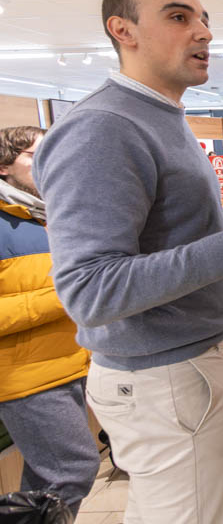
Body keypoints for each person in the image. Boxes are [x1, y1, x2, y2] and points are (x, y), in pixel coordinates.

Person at [33, 0, 223, 523]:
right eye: (179, 17)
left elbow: (177, 224)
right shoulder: (104, 128)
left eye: (205, 19)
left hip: (182, 368)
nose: (204, 32)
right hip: (164, 379)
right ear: (123, 31)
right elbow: (90, 288)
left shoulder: (159, 118)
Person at [0, 126, 99, 516]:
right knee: (71, 470)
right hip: (26, 376)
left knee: (46, 485)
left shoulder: (51, 215)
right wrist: (65, 294)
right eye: (33, 155)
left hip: (73, 361)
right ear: (4, 167)